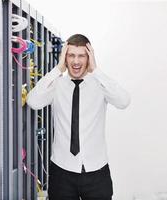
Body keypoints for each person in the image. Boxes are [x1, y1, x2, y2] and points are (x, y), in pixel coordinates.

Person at [26, 34, 131, 200]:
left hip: (97, 172)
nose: (76, 61)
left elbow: (124, 101)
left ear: (89, 57)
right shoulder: (57, 85)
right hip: (62, 172)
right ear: (65, 58)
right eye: (71, 55)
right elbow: (33, 101)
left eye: (81, 55)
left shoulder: (100, 85)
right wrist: (57, 70)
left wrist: (96, 71)